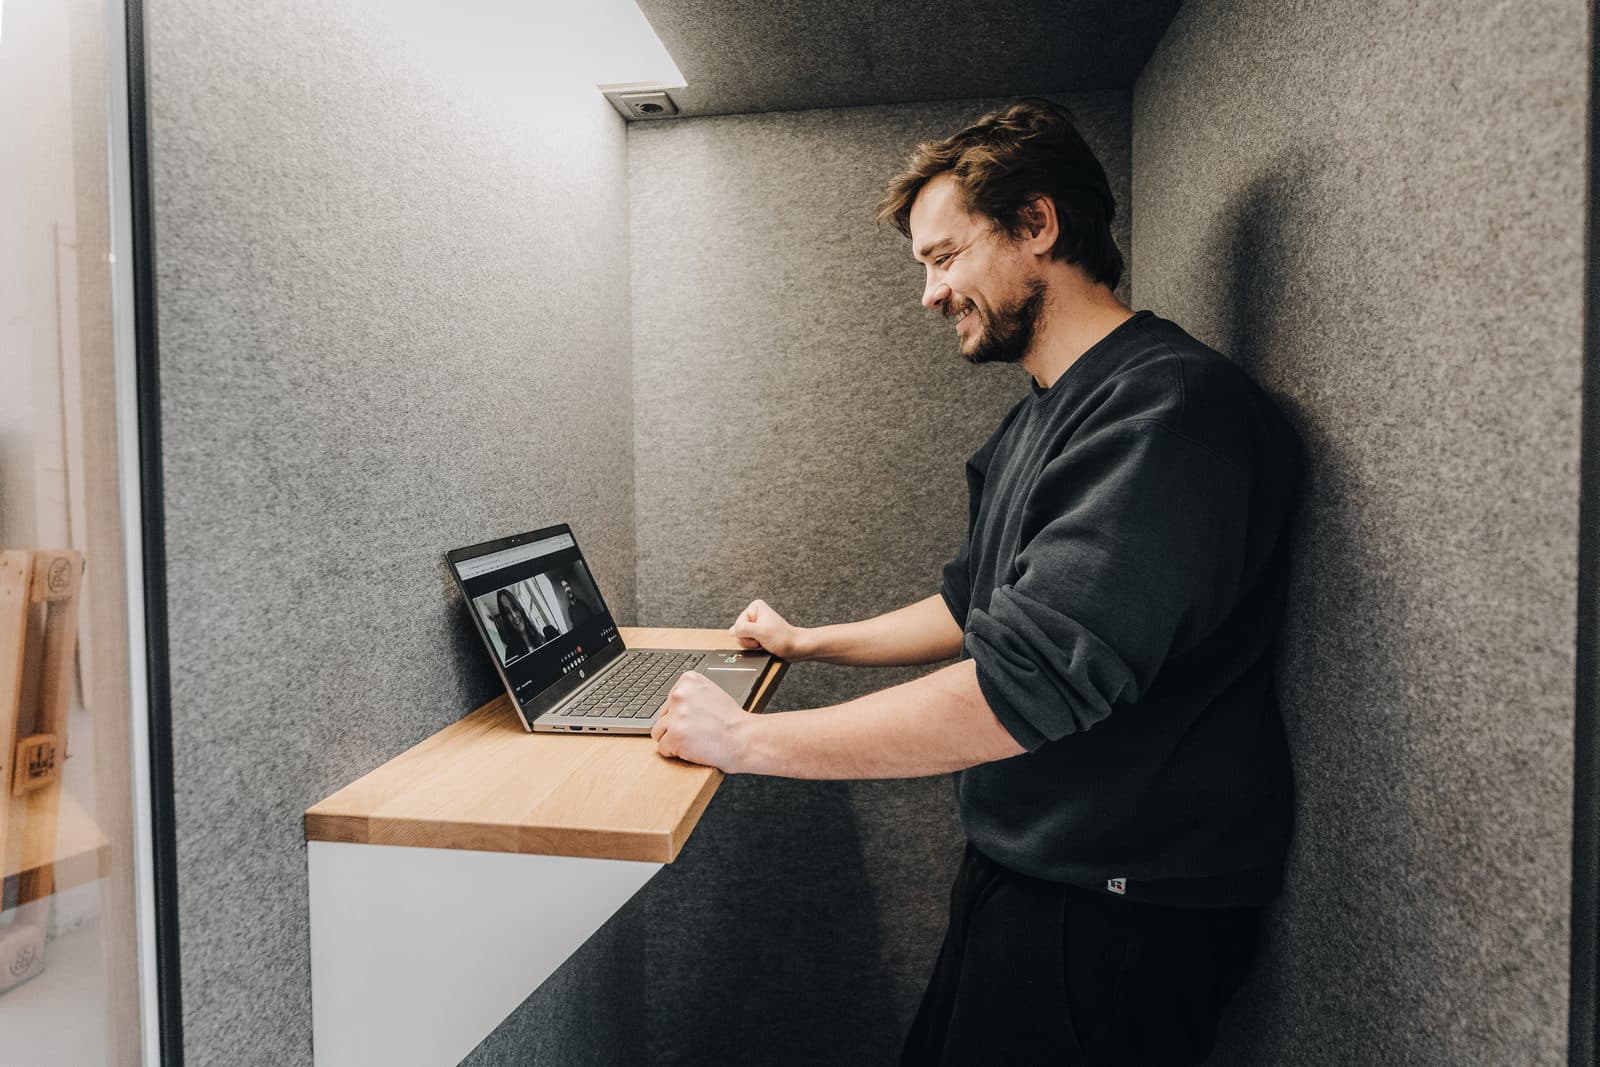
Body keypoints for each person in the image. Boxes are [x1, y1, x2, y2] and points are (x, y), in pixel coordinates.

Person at [651, 98, 1302, 1066]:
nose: (929, 293)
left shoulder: (1165, 409)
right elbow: (974, 606)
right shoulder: (1043, 412)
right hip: (1030, 865)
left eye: (945, 256)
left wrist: (748, 742)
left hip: (1122, 907)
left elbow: (1026, 682)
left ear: (1037, 224)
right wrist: (808, 643)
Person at [491, 588, 538, 661]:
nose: (514, 615)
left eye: (514, 607)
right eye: (507, 612)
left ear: (519, 607)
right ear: (505, 619)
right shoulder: (510, 655)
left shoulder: (539, 636)